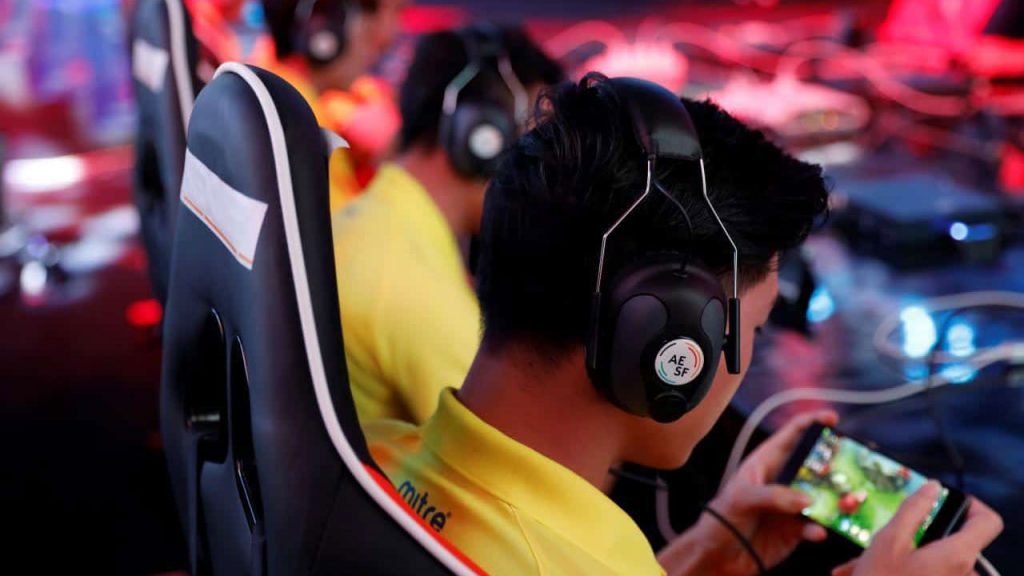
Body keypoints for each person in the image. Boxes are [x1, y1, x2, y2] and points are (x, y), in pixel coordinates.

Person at [367, 74, 1003, 575]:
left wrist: (706, 553)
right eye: (753, 331)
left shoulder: (370, 453)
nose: (748, 356)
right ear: (667, 340)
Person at [333, 25, 564, 426]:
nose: (546, 180)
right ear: (481, 136)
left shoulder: (376, 221)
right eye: (535, 147)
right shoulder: (408, 279)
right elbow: (515, 446)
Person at [261, 0, 405, 210]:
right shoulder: (302, 124)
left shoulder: (280, 94)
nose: (378, 40)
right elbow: (343, 227)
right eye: (366, 27)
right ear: (325, 28)